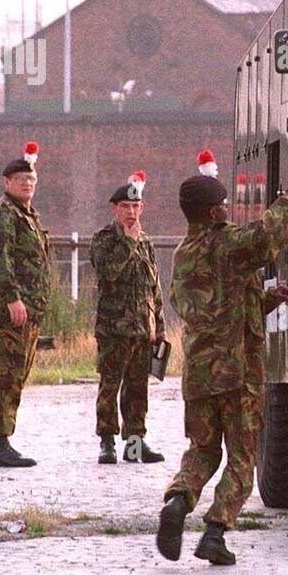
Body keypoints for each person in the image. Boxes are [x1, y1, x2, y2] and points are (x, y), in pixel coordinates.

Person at [155, 149, 288, 566]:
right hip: (238, 374)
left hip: (199, 374)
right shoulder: (230, 244)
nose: (226, 208)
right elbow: (268, 236)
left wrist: (264, 300)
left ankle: (179, 501)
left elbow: (211, 308)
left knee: (202, 451)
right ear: (212, 210)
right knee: (242, 456)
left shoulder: (183, 254)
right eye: (222, 203)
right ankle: (216, 532)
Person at [0, 140, 52, 468]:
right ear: (7, 183)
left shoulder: (28, 215)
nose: (27, 184)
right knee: (6, 373)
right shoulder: (4, 214)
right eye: (21, 180)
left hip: (28, 308)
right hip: (11, 308)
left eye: (32, 180)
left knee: (16, 373)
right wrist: (12, 299)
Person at [89, 170, 167, 465]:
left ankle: (135, 443)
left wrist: (158, 326)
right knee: (110, 386)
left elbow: (154, 286)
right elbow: (108, 273)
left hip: (141, 330)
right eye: (125, 207)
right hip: (113, 329)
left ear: (142, 208)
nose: (131, 213)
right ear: (115, 209)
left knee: (137, 389)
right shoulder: (104, 239)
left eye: (136, 207)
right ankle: (106, 442)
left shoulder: (146, 242)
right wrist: (129, 243)